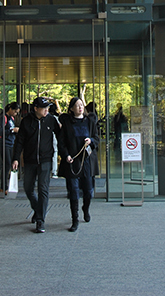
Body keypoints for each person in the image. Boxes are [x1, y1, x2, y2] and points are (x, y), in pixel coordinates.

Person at [12, 97, 59, 233]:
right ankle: (38, 209)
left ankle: (40, 221)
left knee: (43, 189)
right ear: (36, 109)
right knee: (28, 188)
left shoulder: (51, 120)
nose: (46, 110)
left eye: (48, 108)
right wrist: (16, 158)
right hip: (30, 161)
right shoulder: (27, 121)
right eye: (44, 108)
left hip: (45, 160)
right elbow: (19, 141)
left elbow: (60, 135)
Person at [57, 97, 99, 232]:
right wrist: (66, 155)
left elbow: (97, 139)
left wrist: (91, 140)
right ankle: (74, 219)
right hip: (73, 161)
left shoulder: (90, 122)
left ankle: (85, 209)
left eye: (81, 105)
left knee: (88, 191)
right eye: (77, 105)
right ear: (71, 108)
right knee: (73, 192)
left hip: (87, 161)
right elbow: (61, 142)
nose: (80, 107)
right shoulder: (67, 123)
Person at [0, 102, 20, 193]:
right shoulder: (3, 117)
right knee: (6, 164)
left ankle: (7, 185)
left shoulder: (11, 118)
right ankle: (3, 186)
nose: (16, 113)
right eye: (15, 111)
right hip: (4, 143)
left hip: (10, 142)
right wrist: (12, 130)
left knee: (9, 164)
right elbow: (1, 131)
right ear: (10, 109)